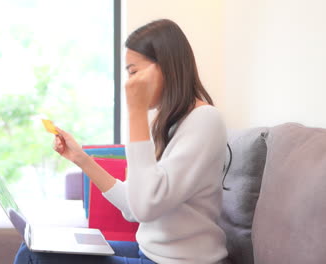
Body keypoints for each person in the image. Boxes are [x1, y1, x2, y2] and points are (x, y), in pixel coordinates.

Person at [14, 19, 229, 264]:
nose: (129, 82)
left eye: (134, 71)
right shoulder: (173, 123)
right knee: (34, 246)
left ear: (165, 67)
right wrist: (81, 158)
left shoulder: (205, 120)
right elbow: (133, 206)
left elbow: (145, 206)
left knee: (35, 257)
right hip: (150, 253)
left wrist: (136, 111)